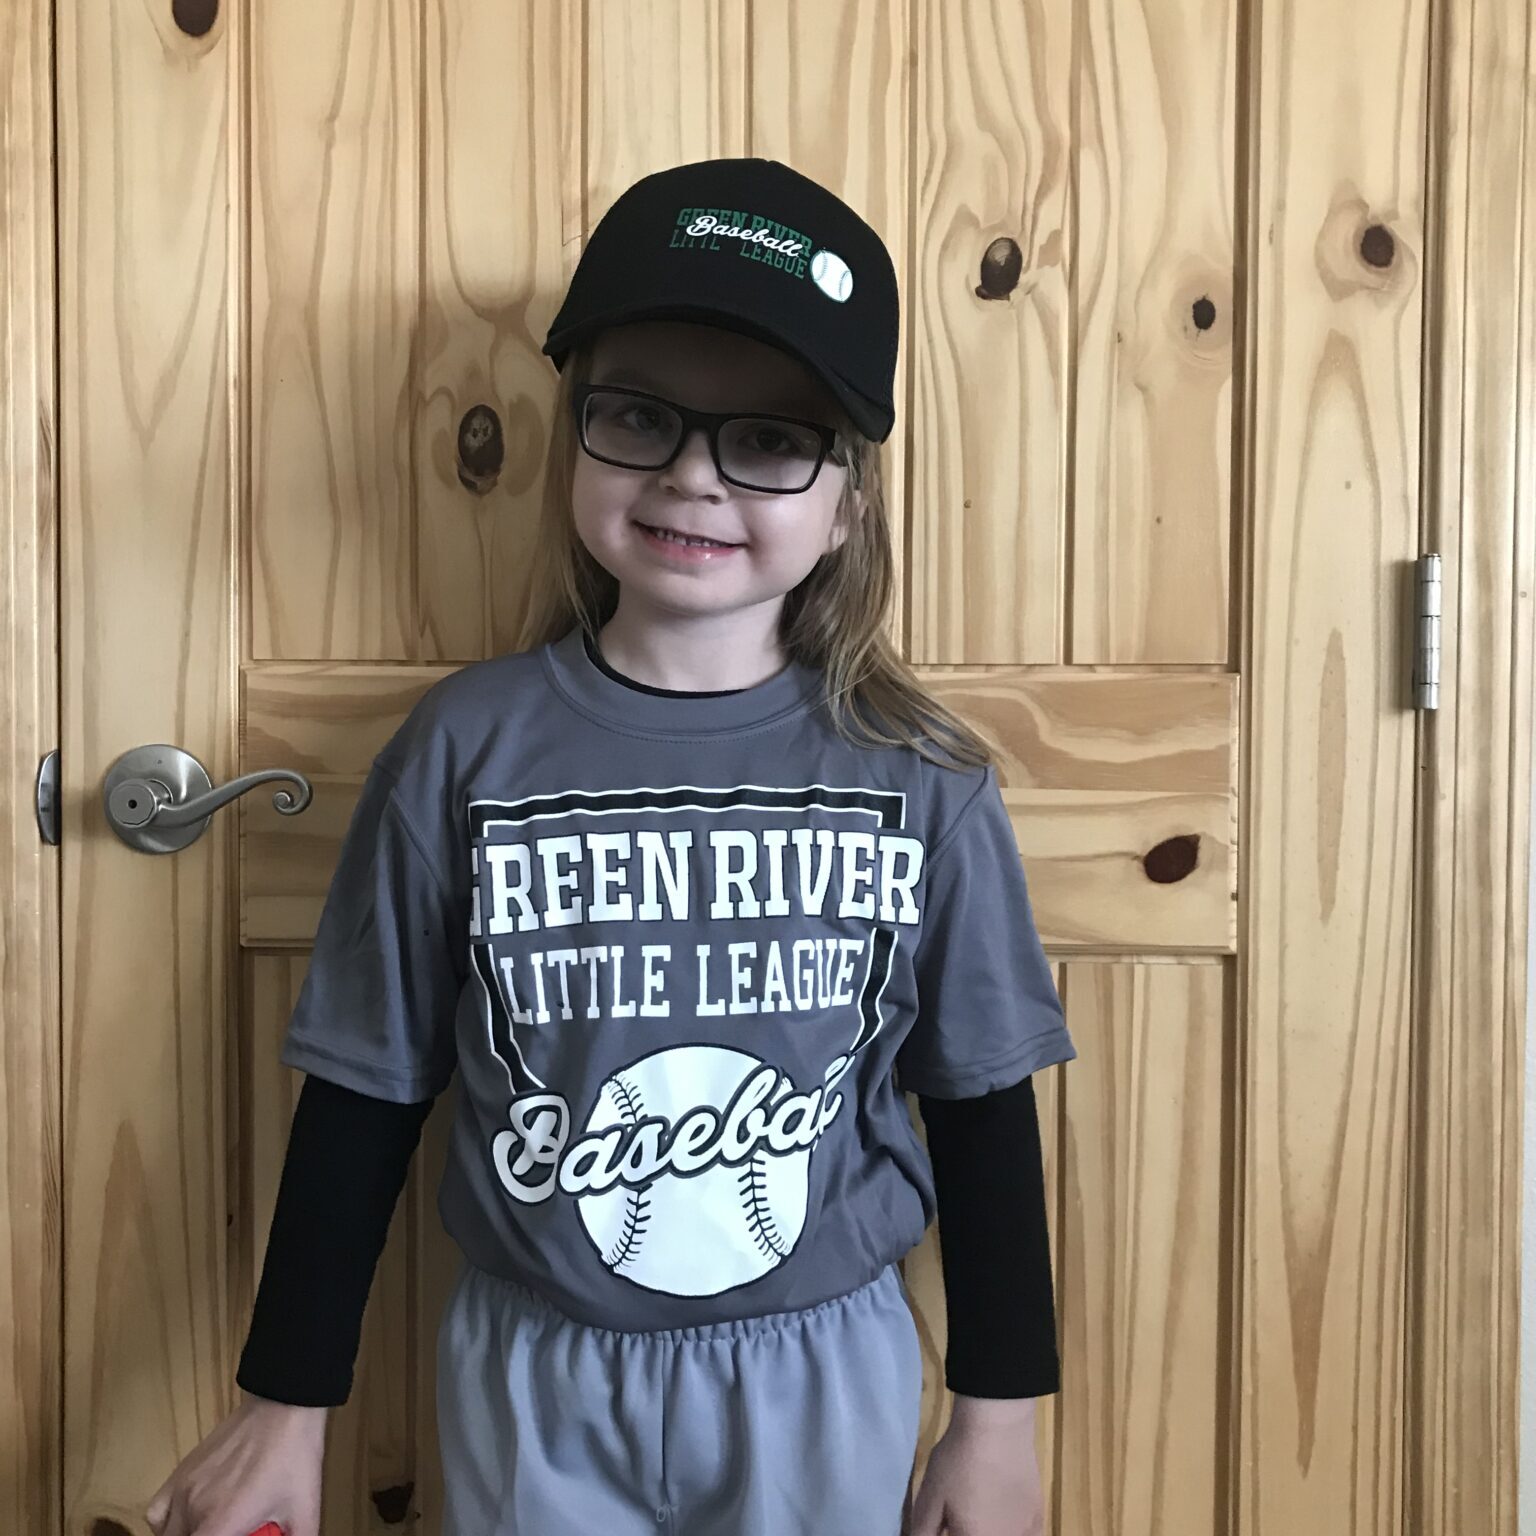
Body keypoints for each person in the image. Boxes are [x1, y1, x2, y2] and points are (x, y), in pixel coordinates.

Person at [145, 156, 1076, 1536]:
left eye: (768, 440)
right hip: (535, 1372)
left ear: (849, 502)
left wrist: (999, 1420)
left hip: (822, 1367)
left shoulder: (918, 783)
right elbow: (363, 1101)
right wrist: (288, 1409)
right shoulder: (464, 752)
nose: (694, 475)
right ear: (575, 434)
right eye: (640, 416)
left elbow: (984, 1110)